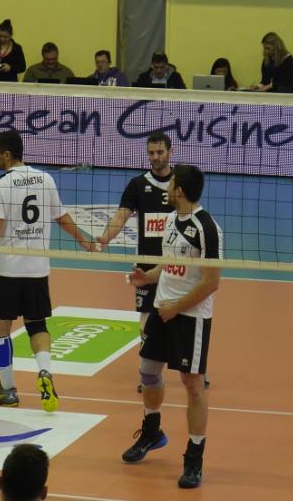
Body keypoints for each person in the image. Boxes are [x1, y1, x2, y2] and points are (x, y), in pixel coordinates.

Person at [0, 130, 95, 411]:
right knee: (37, 325)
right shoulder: (45, 178)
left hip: (6, 270)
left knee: (1, 329)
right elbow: (61, 217)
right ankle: (45, 372)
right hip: (37, 269)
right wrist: (83, 239)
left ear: (7, 155)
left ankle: (7, 389)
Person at [121, 164, 221, 490]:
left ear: (179, 190)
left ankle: (194, 459)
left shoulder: (207, 228)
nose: (167, 187)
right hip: (162, 309)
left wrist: (176, 307)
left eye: (171, 183)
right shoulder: (170, 221)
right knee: (148, 371)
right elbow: (168, 265)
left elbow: (211, 282)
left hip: (190, 317)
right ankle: (152, 432)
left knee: (193, 384)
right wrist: (147, 277)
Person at [96, 132, 212, 393]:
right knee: (147, 321)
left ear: (170, 152)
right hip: (148, 264)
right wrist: (105, 237)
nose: (155, 157)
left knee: (186, 315)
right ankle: (147, 371)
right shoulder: (138, 184)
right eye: (151, 153)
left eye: (160, 152)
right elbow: (121, 215)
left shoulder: (180, 184)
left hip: (180, 264)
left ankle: (196, 369)